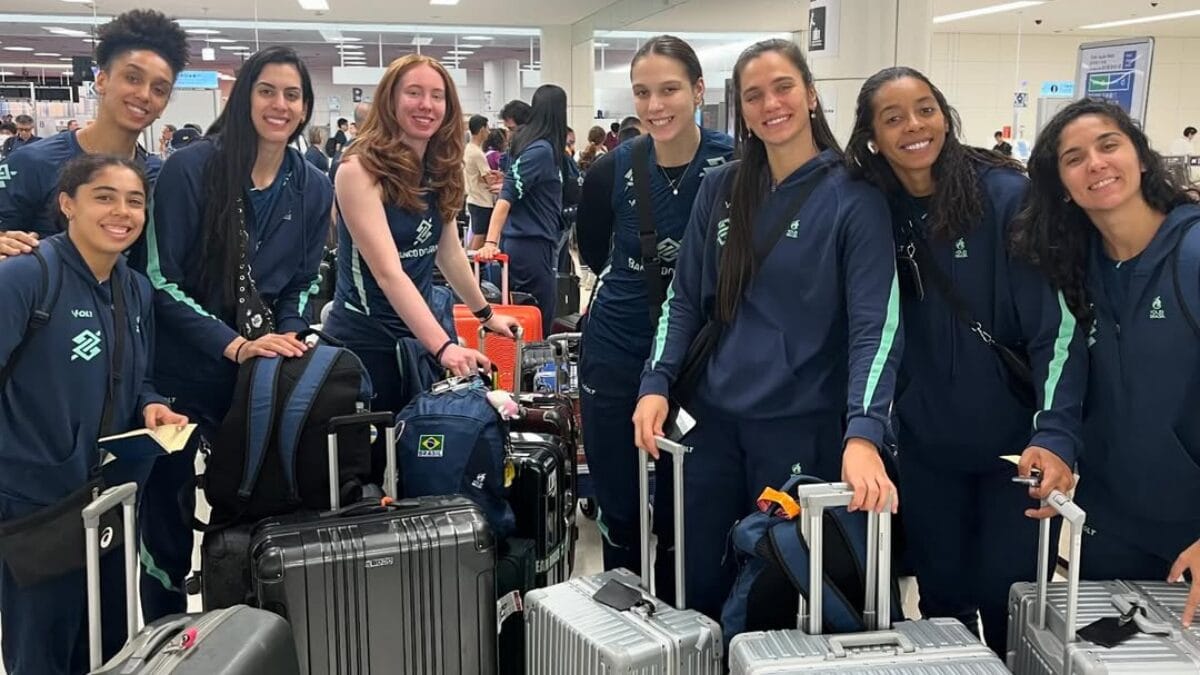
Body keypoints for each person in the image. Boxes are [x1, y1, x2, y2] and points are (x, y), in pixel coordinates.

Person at [631, 38, 902, 622]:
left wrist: (863, 433)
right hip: (713, 426)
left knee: (777, 594)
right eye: (753, 95)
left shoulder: (855, 198)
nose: (770, 104)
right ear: (741, 110)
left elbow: (875, 328)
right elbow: (683, 299)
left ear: (810, 95)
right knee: (698, 581)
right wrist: (656, 381)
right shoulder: (722, 189)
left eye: (783, 88)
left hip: (801, 431)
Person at [845, 67, 1086, 654]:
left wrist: (1056, 434)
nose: (914, 127)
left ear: (945, 115)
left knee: (1013, 603)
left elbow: (1057, 329)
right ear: (873, 136)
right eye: (893, 117)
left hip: (1015, 451)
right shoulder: (876, 208)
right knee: (940, 602)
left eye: (925, 109)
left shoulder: (1004, 197)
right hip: (928, 448)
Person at [139, 46, 331, 621]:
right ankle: (168, 634)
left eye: (292, 94)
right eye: (266, 90)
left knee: (250, 512)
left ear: (305, 107)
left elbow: (303, 281)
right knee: (167, 524)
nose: (279, 104)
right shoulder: (191, 169)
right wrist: (232, 343)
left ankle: (246, 631)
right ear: (243, 95)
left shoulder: (312, 184)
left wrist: (291, 336)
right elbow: (157, 278)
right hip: (181, 373)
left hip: (259, 379)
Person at [1013, 97, 1200, 629]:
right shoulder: (1075, 271)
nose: (1095, 162)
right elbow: (1067, 374)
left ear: (1141, 158)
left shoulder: (1192, 254)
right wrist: (1055, 445)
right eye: (1074, 158)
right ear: (1063, 188)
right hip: (1111, 527)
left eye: (1108, 145)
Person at [0, 155, 187, 675]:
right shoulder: (26, 278)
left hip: (107, 502)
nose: (121, 211)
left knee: (104, 645)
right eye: (104, 196)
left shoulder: (133, 289)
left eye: (134, 201)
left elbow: (137, 376)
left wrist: (151, 404)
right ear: (67, 205)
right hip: (36, 508)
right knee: (42, 652)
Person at [575, 34, 734, 602]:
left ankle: (683, 617)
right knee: (619, 499)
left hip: (704, 354)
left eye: (669, 89)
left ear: (698, 90)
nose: (655, 105)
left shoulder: (735, 164)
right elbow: (594, 251)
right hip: (618, 347)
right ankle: (624, 618)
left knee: (689, 498)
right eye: (642, 92)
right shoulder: (610, 171)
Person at [323, 55, 518, 429]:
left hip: (421, 335)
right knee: (373, 467)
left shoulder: (440, 166)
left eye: (437, 96)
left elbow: (448, 253)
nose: (426, 105)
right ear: (391, 101)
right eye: (414, 93)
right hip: (367, 343)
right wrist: (443, 347)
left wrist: (486, 314)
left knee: (424, 457)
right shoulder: (358, 169)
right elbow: (388, 273)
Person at [0, 10, 188, 257]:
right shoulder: (33, 162)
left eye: (159, 89)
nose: (144, 94)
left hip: (131, 295)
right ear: (101, 80)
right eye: (132, 78)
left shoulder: (157, 175)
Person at [477, 84, 568, 335]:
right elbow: (506, 198)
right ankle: (528, 372)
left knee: (534, 318)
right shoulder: (541, 150)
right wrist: (491, 241)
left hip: (534, 243)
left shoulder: (540, 148)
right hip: (530, 246)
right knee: (536, 320)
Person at [464, 114, 499, 251]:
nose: (489, 132)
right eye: (487, 128)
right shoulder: (477, 153)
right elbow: (488, 179)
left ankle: (473, 265)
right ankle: (472, 267)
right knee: (480, 235)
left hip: (473, 198)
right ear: (481, 130)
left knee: (477, 234)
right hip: (481, 200)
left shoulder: (468, 149)